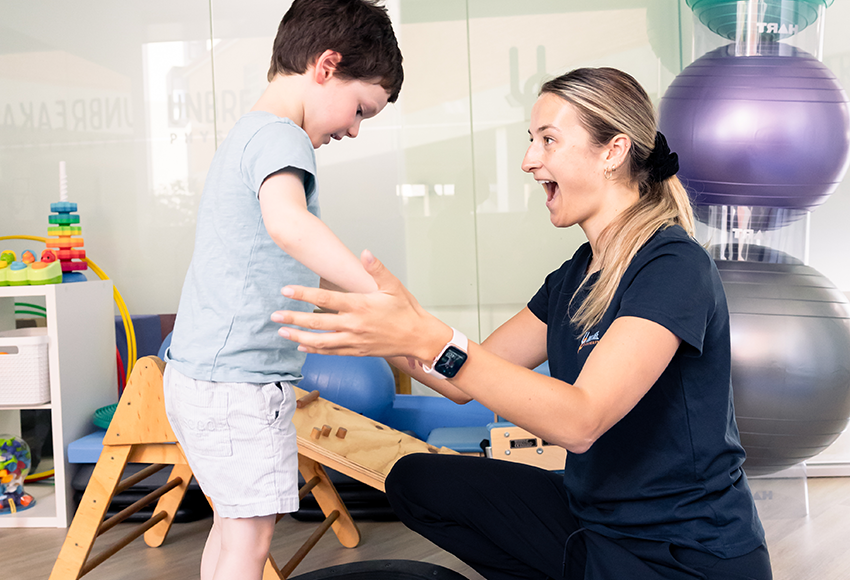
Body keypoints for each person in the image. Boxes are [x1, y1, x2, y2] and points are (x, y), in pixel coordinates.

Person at [271, 67, 773, 580]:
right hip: (596, 526)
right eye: (531, 141)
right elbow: (456, 379)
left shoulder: (672, 265)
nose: (529, 161)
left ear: (613, 151)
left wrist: (431, 337)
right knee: (417, 480)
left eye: (548, 140)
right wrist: (373, 312)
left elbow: (581, 422)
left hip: (683, 555)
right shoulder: (573, 276)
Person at [162, 1, 402, 579]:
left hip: (201, 376)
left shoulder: (250, 134)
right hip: (238, 384)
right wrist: (381, 292)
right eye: (360, 108)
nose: (353, 128)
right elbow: (289, 225)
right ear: (325, 66)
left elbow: (282, 254)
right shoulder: (281, 137)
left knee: (232, 529)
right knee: (250, 536)